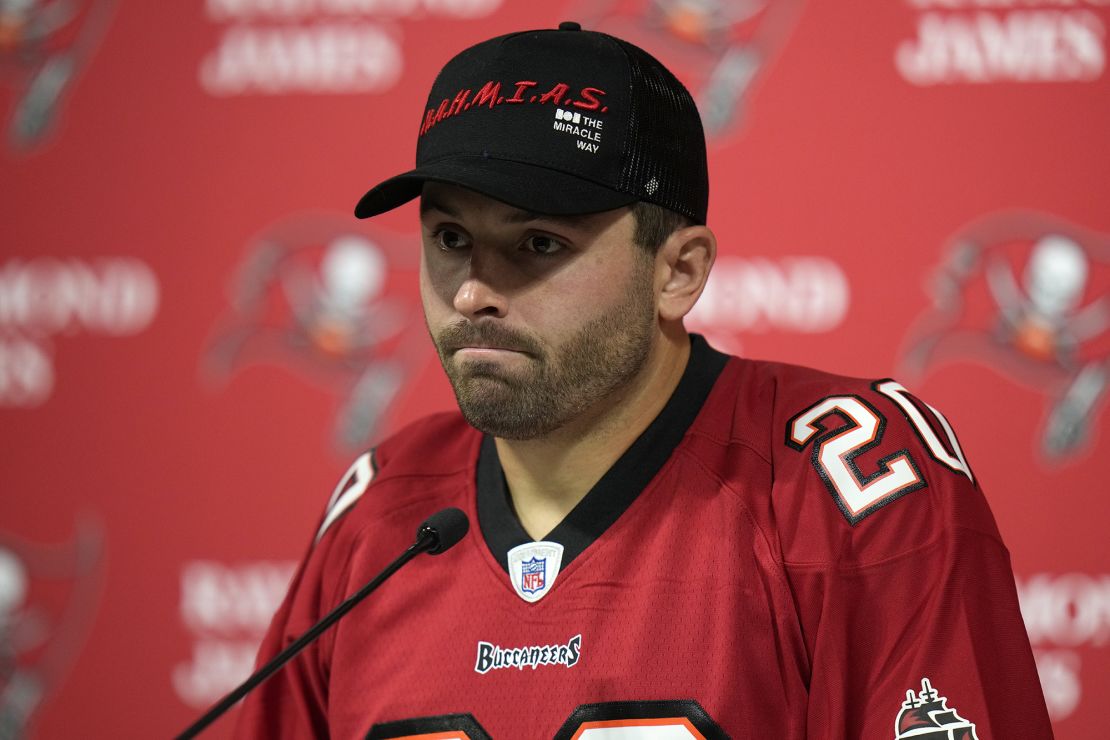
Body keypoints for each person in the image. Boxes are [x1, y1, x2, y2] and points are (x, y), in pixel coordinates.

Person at [234, 22, 1053, 739]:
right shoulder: (378, 514)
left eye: (540, 244)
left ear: (679, 271)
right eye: (450, 237)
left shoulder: (852, 482)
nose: (474, 291)